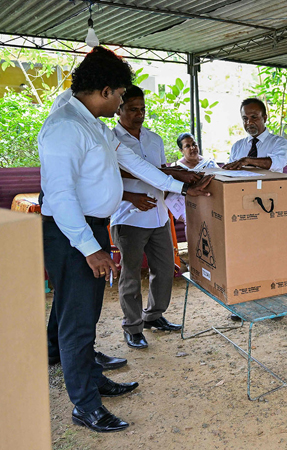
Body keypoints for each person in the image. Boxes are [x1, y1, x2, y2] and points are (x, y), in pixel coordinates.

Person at [39, 47, 211, 433]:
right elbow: (61, 196)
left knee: (86, 312)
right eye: (120, 96)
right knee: (77, 320)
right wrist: (91, 248)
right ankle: (85, 405)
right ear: (104, 90)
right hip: (72, 232)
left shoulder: (92, 124)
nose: (122, 103)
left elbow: (135, 163)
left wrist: (178, 188)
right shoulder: (64, 126)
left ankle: (92, 378)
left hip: (91, 225)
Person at [110, 85, 188, 350]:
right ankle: (132, 327)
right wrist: (131, 198)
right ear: (118, 109)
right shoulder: (111, 140)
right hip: (128, 217)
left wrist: (173, 202)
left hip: (158, 216)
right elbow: (105, 178)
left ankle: (153, 316)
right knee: (131, 275)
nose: (139, 114)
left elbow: (161, 174)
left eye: (142, 109)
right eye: (133, 109)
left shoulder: (154, 139)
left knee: (165, 268)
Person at [224, 98, 287, 172]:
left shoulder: (279, 142)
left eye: (254, 117)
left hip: (268, 184)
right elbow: (230, 172)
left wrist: (248, 160)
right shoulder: (237, 146)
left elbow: (278, 163)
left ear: (264, 118)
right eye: (245, 118)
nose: (249, 122)